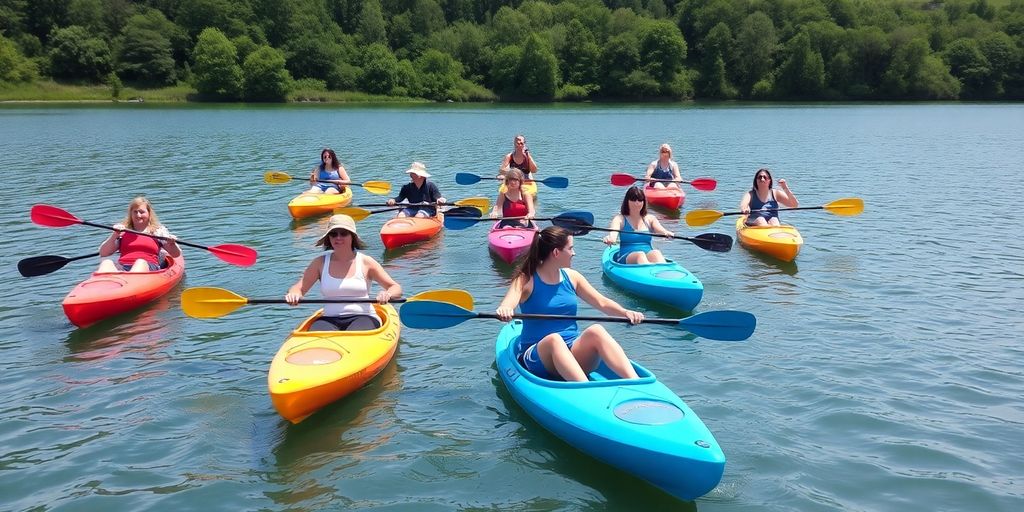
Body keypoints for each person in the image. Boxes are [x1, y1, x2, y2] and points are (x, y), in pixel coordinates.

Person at [496, 226, 644, 382]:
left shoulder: (573, 277)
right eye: (570, 248)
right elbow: (509, 302)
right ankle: (585, 390)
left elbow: (602, 302)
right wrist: (505, 309)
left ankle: (637, 382)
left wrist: (626, 313)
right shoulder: (526, 279)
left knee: (597, 331)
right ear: (556, 253)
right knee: (554, 340)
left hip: (571, 350)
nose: (574, 253)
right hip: (537, 357)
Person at [285, 214, 402, 331]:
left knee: (355, 334)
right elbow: (299, 288)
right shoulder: (319, 263)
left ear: (352, 237)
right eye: (333, 234)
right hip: (329, 319)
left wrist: (388, 294)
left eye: (344, 233)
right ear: (329, 238)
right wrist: (294, 294)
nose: (338, 237)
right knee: (316, 334)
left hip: (363, 317)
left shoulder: (366, 262)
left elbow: (395, 287)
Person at [97, 196, 181, 273]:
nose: (138, 215)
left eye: (142, 212)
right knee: (106, 263)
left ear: (149, 214)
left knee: (140, 262)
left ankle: (130, 283)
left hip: (148, 267)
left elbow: (176, 254)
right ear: (131, 214)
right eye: (135, 212)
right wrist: (114, 235)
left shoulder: (157, 231)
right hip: (124, 267)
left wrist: (172, 243)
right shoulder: (123, 230)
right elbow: (103, 253)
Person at [602, 186, 674, 264]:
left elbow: (660, 230)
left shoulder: (650, 219)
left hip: (648, 254)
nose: (637, 203)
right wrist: (610, 239)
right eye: (633, 200)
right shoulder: (620, 219)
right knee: (640, 255)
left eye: (640, 200)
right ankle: (648, 272)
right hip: (626, 257)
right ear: (627, 201)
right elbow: (613, 233)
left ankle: (661, 272)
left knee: (656, 253)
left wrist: (666, 233)